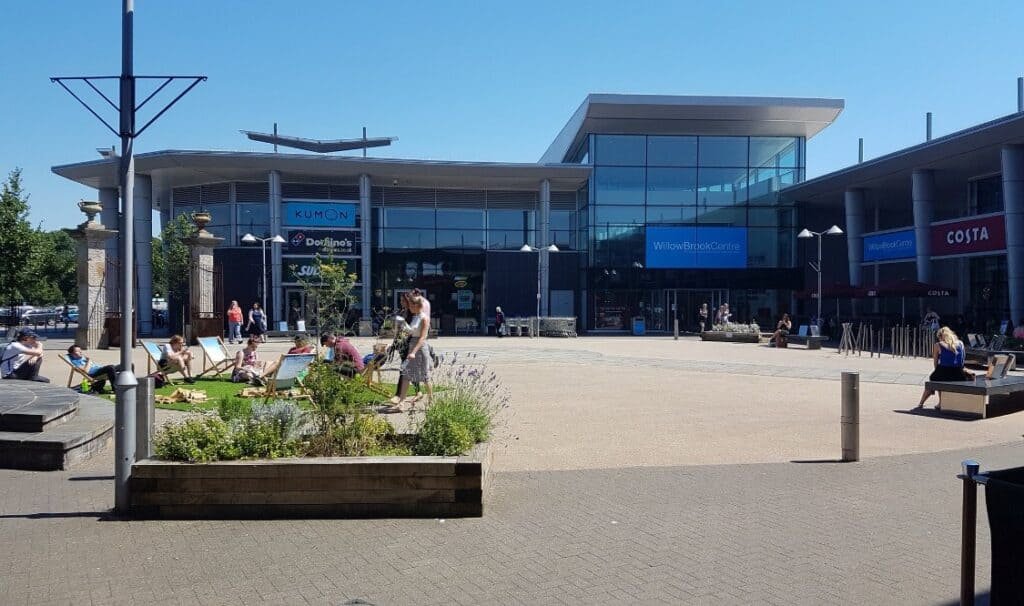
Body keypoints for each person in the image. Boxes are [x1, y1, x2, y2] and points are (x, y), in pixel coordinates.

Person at [386, 295, 433, 412]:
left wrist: (413, 352)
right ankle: (401, 404)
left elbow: (422, 337)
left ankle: (431, 400)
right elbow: (411, 331)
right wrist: (400, 326)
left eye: (412, 305)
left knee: (425, 377)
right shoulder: (415, 317)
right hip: (412, 345)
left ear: (418, 306)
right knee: (406, 375)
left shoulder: (424, 318)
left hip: (420, 349)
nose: (410, 307)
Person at [917, 326, 973, 408]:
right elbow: (962, 360)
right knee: (940, 376)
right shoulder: (960, 343)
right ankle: (940, 403)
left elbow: (935, 363)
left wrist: (938, 370)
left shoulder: (938, 345)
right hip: (959, 375)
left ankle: (921, 403)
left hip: (944, 373)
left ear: (940, 337)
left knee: (935, 377)